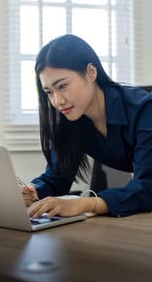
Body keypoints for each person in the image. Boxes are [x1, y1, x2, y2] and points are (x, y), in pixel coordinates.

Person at [20, 34, 152, 219]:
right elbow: (57, 178)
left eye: (63, 86)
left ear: (91, 72)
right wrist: (32, 193)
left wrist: (84, 204)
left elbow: (148, 187)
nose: (57, 101)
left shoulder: (145, 110)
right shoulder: (72, 119)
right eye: (49, 92)